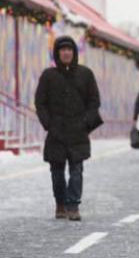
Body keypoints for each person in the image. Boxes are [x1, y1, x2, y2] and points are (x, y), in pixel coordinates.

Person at [35, 36, 103, 222]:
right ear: (57, 53)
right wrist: (48, 123)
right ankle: (60, 204)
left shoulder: (85, 74)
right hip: (56, 132)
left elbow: (94, 101)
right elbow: (40, 102)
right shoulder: (48, 76)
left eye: (69, 49)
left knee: (76, 171)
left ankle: (73, 205)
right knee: (56, 173)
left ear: (74, 53)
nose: (66, 53)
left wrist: (86, 123)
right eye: (62, 50)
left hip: (78, 132)